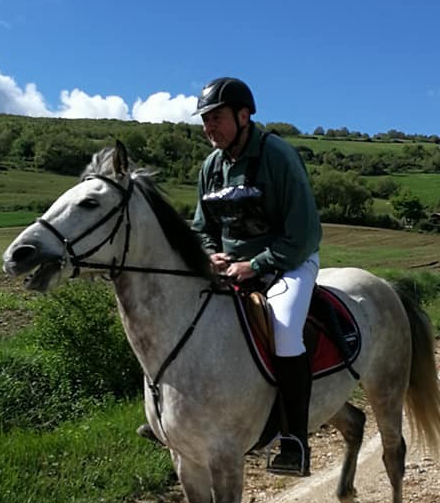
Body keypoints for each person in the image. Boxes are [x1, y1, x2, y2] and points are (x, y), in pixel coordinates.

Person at [138, 77, 322, 476]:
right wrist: (209, 254)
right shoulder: (212, 166)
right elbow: (202, 226)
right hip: (230, 268)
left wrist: (255, 265)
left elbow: (304, 233)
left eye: (216, 119)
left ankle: (295, 441)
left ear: (243, 115)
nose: (209, 129)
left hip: (289, 263)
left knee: (286, 329)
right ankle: (171, 419)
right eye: (205, 121)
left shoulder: (279, 157)